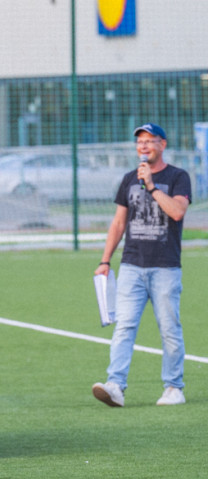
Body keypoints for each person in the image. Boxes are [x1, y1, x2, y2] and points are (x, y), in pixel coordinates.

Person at [92, 123, 191, 407]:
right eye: (140, 142)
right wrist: (105, 260)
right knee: (124, 327)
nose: (144, 146)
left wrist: (151, 186)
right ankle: (115, 386)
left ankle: (174, 387)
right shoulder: (128, 179)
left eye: (150, 141)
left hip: (165, 268)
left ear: (163, 144)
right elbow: (119, 222)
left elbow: (177, 212)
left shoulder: (178, 177)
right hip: (132, 266)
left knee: (170, 329)